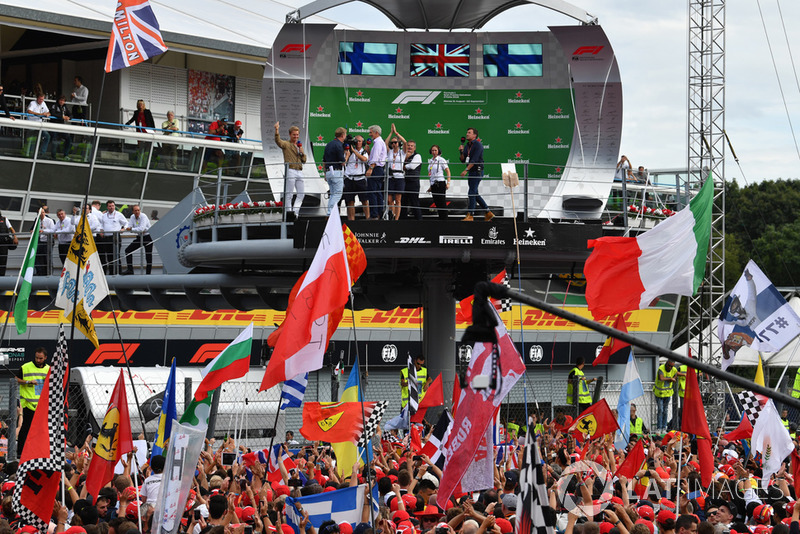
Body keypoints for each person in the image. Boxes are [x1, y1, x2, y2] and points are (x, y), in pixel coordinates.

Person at [17, 347, 49, 455]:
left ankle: (39, 451)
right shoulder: (25, 367)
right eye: (36, 358)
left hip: (43, 405)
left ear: (45, 358)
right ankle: (20, 452)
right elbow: (16, 379)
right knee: (26, 429)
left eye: (40, 358)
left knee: (41, 431)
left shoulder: (49, 369)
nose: (38, 360)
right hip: (28, 404)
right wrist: (28, 382)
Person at [274, 121, 307, 218]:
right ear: (290, 135)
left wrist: (301, 152)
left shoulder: (299, 146)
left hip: (299, 171)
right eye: (294, 135)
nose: (296, 136)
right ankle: (289, 213)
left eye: (297, 135)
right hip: (291, 170)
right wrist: (276, 130)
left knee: (301, 194)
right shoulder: (286, 144)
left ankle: (295, 213)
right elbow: (278, 141)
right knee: (289, 194)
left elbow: (304, 160)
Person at [459, 127, 492, 221]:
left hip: (477, 171)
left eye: (469, 133)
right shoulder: (467, 145)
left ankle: (470, 215)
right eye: (467, 132)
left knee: (471, 193)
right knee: (474, 193)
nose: (467, 134)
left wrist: (466, 170)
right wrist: (461, 151)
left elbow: (474, 160)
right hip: (472, 171)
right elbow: (462, 160)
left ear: (474, 135)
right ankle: (488, 212)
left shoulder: (478, 145)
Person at [98, 200, 130, 275]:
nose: (111, 207)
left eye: (113, 206)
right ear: (107, 207)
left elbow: (126, 223)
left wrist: (123, 229)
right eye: (110, 206)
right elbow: (101, 225)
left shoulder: (119, 214)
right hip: (106, 237)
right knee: (109, 256)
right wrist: (101, 231)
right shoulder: (104, 215)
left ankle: (118, 272)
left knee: (116, 255)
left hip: (115, 237)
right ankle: (111, 272)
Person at [343, 135, 370, 220]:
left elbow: (364, 159)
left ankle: (368, 219)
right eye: (356, 141)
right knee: (350, 201)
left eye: (359, 141)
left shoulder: (364, 151)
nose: (357, 143)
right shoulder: (348, 151)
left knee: (364, 201)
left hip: (360, 179)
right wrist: (348, 152)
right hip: (349, 178)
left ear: (363, 143)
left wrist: (354, 151)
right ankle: (351, 220)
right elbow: (344, 161)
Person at [322, 127, 347, 215]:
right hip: (336, 171)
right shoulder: (338, 145)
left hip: (329, 171)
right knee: (337, 194)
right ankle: (330, 214)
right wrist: (347, 155)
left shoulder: (328, 144)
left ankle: (329, 214)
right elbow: (343, 162)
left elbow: (324, 160)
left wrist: (325, 173)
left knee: (332, 195)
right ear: (343, 135)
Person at [123, 205, 153, 275]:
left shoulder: (143, 216)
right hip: (140, 237)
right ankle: (130, 270)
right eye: (135, 210)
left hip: (148, 237)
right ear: (133, 211)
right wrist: (133, 229)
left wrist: (132, 229)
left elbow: (141, 229)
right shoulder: (132, 217)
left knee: (148, 255)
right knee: (128, 250)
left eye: (138, 210)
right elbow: (129, 227)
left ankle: (148, 274)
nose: (137, 212)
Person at [366, 125, 387, 219]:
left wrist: (370, 168)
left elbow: (376, 157)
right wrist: (369, 152)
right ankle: (379, 213)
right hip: (378, 169)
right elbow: (376, 156)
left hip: (376, 168)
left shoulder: (378, 142)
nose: (369, 134)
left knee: (372, 191)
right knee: (377, 191)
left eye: (371, 132)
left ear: (376, 133)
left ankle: (374, 214)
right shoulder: (379, 142)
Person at [385, 124, 405, 221]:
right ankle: (391, 216)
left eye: (396, 142)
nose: (394, 144)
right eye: (392, 143)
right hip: (390, 177)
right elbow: (385, 143)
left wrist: (396, 132)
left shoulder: (402, 152)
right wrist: (391, 133)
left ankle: (396, 219)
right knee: (389, 200)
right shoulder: (389, 151)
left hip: (399, 177)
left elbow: (405, 142)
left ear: (398, 143)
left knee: (398, 199)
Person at [654, 360, 678, 433]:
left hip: (667, 393)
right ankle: (659, 428)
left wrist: (674, 378)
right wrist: (670, 379)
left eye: (672, 366)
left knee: (665, 410)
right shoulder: (661, 368)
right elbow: (661, 378)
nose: (670, 367)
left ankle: (664, 427)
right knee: (660, 410)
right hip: (659, 393)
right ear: (666, 364)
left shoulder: (674, 370)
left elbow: (676, 375)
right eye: (669, 366)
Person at [427, 145, 450, 219]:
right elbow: (431, 174)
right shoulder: (431, 161)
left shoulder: (441, 160)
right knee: (436, 202)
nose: (434, 152)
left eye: (435, 150)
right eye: (432, 150)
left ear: (438, 151)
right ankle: (441, 219)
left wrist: (448, 182)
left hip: (440, 183)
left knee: (442, 202)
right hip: (433, 184)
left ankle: (445, 220)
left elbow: (448, 171)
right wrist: (431, 186)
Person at [402, 139, 422, 220]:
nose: (409, 147)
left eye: (411, 146)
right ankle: (402, 220)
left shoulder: (417, 156)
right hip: (404, 181)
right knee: (403, 202)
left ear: (414, 148)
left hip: (413, 182)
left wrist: (403, 167)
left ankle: (419, 221)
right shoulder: (403, 155)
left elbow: (412, 166)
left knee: (414, 202)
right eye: (408, 145)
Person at [48, 95, 72, 159]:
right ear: (58, 100)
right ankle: (53, 156)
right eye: (61, 100)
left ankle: (66, 155)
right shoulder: (54, 105)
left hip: (61, 126)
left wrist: (69, 117)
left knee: (68, 139)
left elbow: (71, 114)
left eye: (63, 101)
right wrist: (62, 116)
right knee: (54, 140)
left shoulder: (65, 107)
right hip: (54, 126)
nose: (62, 102)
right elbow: (53, 113)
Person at [34, 206, 55, 275]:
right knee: (37, 257)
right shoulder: (37, 220)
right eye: (40, 213)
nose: (42, 214)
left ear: (45, 213)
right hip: (39, 241)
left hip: (47, 242)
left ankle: (49, 273)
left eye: (43, 212)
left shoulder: (49, 220)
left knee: (47, 258)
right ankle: (40, 272)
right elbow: (32, 229)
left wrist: (43, 231)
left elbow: (53, 230)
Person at [0, 211, 19, 276]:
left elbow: (12, 229)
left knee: (3, 261)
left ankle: (2, 279)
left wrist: (15, 237)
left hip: (4, 244)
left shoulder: (5, 219)